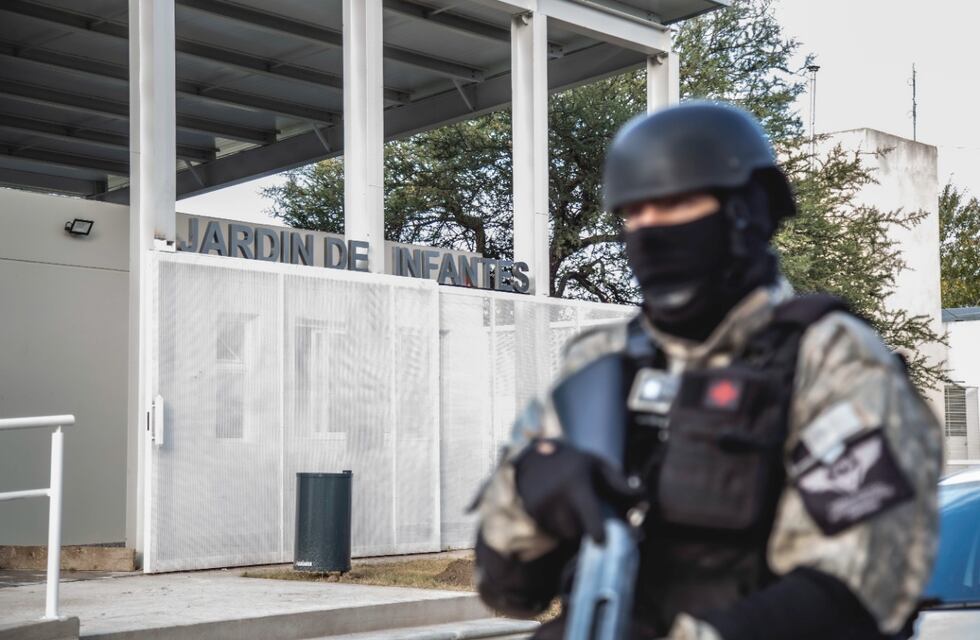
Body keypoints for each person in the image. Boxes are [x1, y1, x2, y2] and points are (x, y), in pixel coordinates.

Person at [470, 102, 942, 640]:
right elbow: (505, 589)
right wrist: (530, 501)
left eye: (672, 204)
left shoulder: (829, 356)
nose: (646, 230)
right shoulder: (600, 364)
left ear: (744, 212)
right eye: (633, 212)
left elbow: (861, 586)